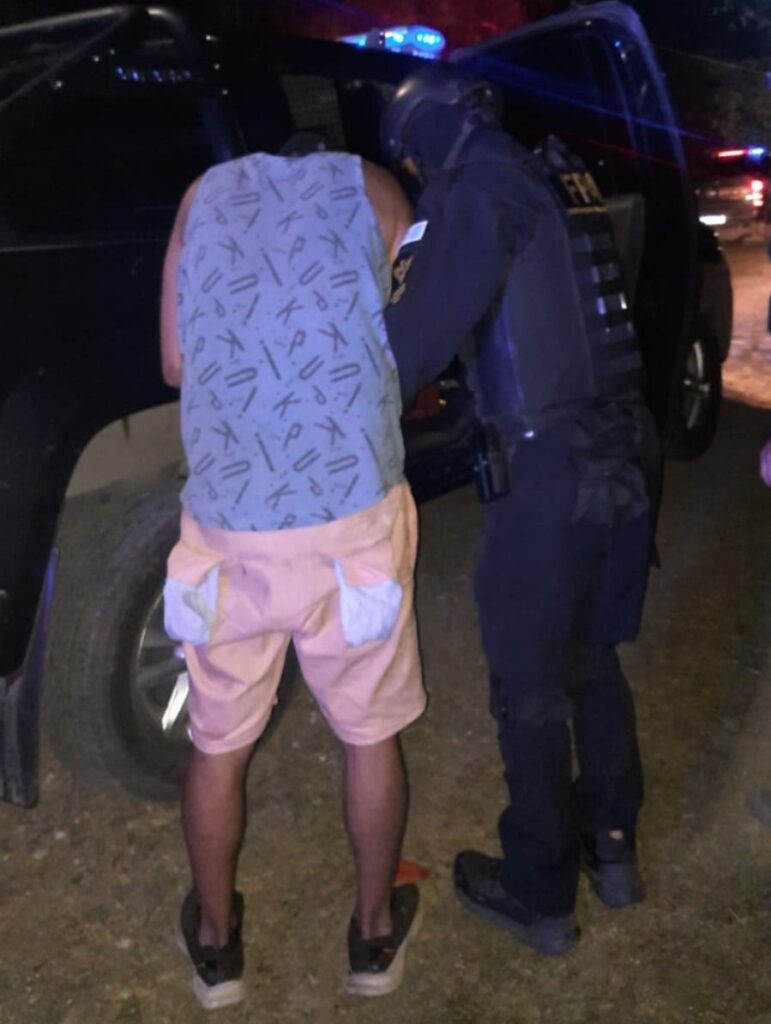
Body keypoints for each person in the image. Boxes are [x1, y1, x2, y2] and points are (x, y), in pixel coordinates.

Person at [382, 66, 660, 956]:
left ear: (424, 136)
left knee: (529, 687)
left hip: (550, 471)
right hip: (622, 453)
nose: (414, 173)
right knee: (591, 660)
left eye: (409, 157)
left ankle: (540, 894)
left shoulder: (479, 188)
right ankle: (611, 848)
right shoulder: (557, 171)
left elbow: (410, 345)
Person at [159, 137, 424, 1009]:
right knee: (368, 733)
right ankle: (373, 937)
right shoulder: (380, 191)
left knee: (217, 743)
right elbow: (407, 335)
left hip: (229, 529)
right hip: (350, 522)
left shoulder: (200, 195)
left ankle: (215, 948)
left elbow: (175, 363)